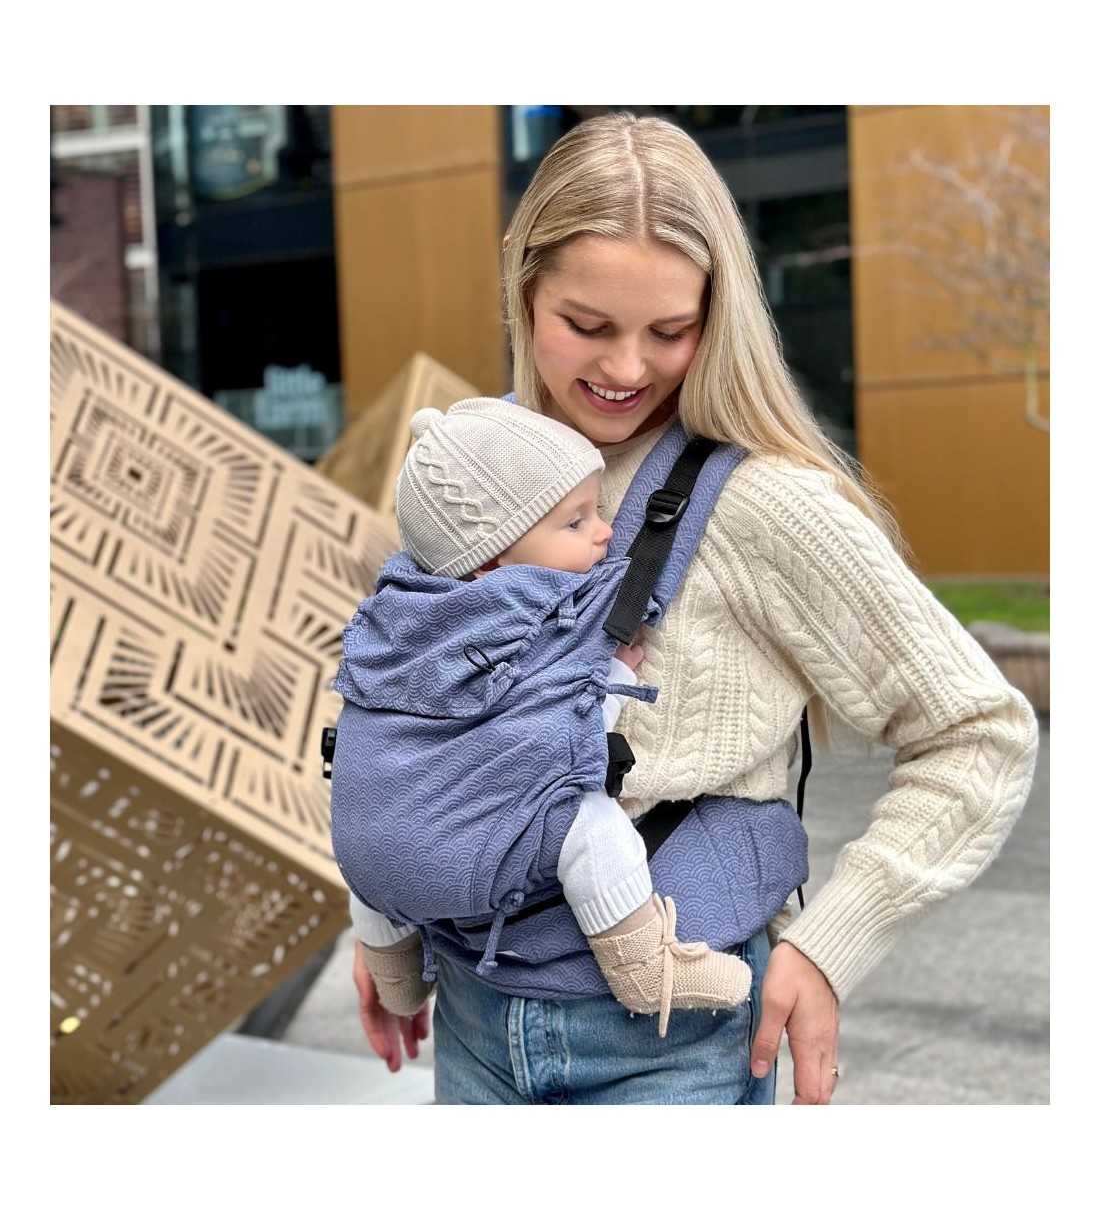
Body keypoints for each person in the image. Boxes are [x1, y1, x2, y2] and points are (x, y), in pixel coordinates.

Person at [352, 110, 1039, 1104]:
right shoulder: (475, 477)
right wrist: (386, 941)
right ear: (521, 287)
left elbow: (978, 730)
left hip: (674, 1040)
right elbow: (421, 728)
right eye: (585, 325)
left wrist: (829, 947)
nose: (625, 368)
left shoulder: (768, 506)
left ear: (718, 317)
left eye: (669, 331)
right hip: (473, 1012)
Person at [341, 397, 754, 1039]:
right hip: (484, 857)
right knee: (585, 821)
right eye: (576, 522)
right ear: (492, 560)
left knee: (371, 813)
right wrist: (616, 675)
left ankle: (395, 974)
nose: (606, 531)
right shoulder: (540, 608)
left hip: (369, 858)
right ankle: (647, 968)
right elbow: (566, 723)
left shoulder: (396, 612)